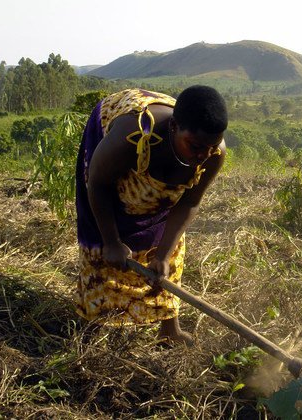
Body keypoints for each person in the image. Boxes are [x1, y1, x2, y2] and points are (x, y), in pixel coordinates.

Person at [75, 86, 228, 343]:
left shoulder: (214, 152)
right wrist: (111, 242)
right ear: (174, 126)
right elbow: (97, 185)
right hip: (112, 141)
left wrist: (163, 255)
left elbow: (190, 202)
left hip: (158, 157)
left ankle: (169, 331)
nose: (202, 155)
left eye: (210, 148)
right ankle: (89, 326)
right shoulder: (130, 136)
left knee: (170, 254)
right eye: (195, 146)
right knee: (100, 250)